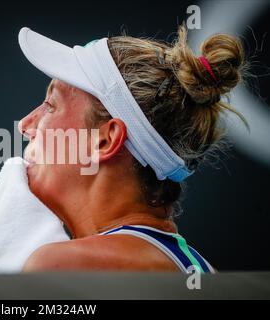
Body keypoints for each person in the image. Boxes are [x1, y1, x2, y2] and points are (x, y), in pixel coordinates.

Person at [17, 26, 248, 273]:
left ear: (105, 140)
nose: (24, 125)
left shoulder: (62, 264)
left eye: (51, 105)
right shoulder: (198, 269)